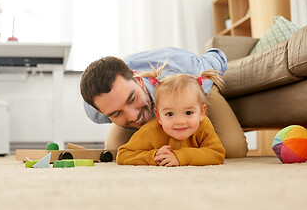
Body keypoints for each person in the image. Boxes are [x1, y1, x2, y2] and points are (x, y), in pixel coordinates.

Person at [80, 47, 248, 158]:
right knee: (117, 151)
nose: (133, 116)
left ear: (138, 80)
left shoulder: (186, 68)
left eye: (132, 99)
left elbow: (217, 56)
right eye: (117, 113)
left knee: (233, 150)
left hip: (188, 89)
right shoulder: (95, 109)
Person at [116, 66, 225, 166]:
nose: (180, 121)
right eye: (169, 114)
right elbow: (123, 155)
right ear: (158, 116)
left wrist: (181, 156)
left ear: (201, 112)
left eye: (188, 113)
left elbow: (217, 153)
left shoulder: (204, 125)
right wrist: (153, 156)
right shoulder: (150, 130)